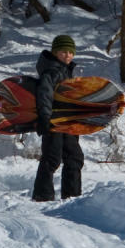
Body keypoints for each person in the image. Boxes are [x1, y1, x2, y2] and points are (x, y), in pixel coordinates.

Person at [32, 34, 83, 202]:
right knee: (52, 158)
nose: (68, 55)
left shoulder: (66, 72)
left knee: (74, 157)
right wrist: (45, 118)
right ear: (55, 52)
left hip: (67, 122)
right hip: (53, 122)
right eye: (63, 52)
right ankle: (42, 196)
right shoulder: (51, 72)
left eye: (71, 52)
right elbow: (44, 95)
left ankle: (72, 197)